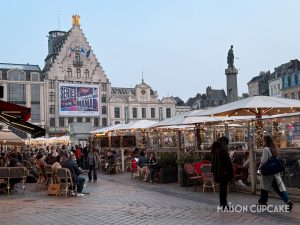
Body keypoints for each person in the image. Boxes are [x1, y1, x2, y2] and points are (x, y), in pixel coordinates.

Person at [258, 135, 293, 211]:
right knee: (279, 188)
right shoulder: (274, 148)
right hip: (275, 173)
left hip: (267, 172)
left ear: (265, 141)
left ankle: (262, 203)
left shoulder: (266, 149)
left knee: (264, 188)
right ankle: (287, 201)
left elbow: (264, 161)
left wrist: (260, 167)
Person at [211, 136, 234, 210]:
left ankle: (222, 204)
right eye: (226, 144)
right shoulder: (222, 151)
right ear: (224, 143)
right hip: (224, 173)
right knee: (224, 190)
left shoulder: (216, 150)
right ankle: (224, 205)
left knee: (222, 190)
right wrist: (231, 174)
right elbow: (227, 164)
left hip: (219, 173)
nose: (227, 146)